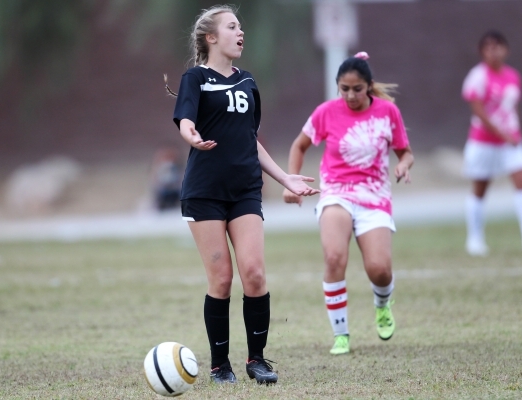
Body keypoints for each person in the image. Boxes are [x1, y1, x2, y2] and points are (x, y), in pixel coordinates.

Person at [166, 5, 320, 384]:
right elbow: (185, 120)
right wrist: (191, 135)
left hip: (246, 190)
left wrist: (286, 179)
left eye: (241, 27)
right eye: (232, 27)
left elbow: (250, 141)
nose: (241, 33)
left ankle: (257, 360)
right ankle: (220, 366)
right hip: (204, 192)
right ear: (211, 37)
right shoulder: (196, 78)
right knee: (221, 279)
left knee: (254, 272)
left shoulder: (248, 81)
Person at [283, 52, 414, 355]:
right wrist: (292, 180)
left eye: (357, 89)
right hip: (336, 193)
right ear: (337, 87)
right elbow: (299, 145)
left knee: (380, 269)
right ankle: (340, 333)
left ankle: (382, 304)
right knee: (333, 258)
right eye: (344, 89)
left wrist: (404, 165)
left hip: (374, 197)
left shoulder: (387, 112)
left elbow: (405, 152)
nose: (350, 95)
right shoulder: (326, 112)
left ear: (368, 86)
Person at [462, 30, 522, 255]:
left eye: (498, 46)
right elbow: (479, 112)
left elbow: (512, 108)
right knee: (480, 189)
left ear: (506, 49)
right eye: (488, 47)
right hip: (483, 143)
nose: (494, 51)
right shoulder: (477, 76)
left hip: (511, 142)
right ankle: (475, 240)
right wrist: (503, 134)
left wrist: (516, 133)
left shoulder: (513, 76)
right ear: (482, 52)